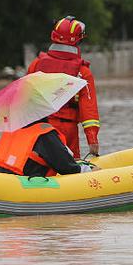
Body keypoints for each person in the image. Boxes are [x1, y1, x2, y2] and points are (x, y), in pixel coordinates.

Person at [27, 16, 101, 159]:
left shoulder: (36, 65)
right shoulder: (82, 72)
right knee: (71, 169)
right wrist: (92, 140)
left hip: (40, 128)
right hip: (67, 131)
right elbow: (88, 109)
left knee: (38, 164)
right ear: (77, 40)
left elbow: (25, 98)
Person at [0, 119, 96, 177]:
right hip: (22, 184)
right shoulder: (44, 133)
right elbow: (66, 168)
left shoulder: (13, 128)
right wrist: (89, 170)